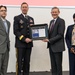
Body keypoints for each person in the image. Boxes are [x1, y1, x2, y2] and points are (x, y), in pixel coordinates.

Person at [13, 2, 34, 75]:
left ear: (28, 8)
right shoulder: (17, 18)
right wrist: (24, 39)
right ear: (21, 8)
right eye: (23, 7)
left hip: (29, 44)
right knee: (19, 62)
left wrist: (33, 38)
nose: (24, 8)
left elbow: (33, 31)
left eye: (26, 7)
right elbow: (16, 31)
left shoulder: (31, 19)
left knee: (27, 62)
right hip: (20, 44)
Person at [43, 7, 65, 75]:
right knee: (53, 65)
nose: (54, 13)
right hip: (51, 47)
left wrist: (49, 40)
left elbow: (60, 34)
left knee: (58, 66)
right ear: (51, 13)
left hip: (58, 47)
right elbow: (50, 33)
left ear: (59, 12)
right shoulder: (51, 22)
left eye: (55, 12)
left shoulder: (61, 21)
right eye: (53, 12)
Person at [0, 5, 10, 75]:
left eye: (5, 11)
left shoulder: (8, 23)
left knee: (4, 67)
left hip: (6, 48)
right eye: (2, 11)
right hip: (0, 47)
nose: (4, 12)